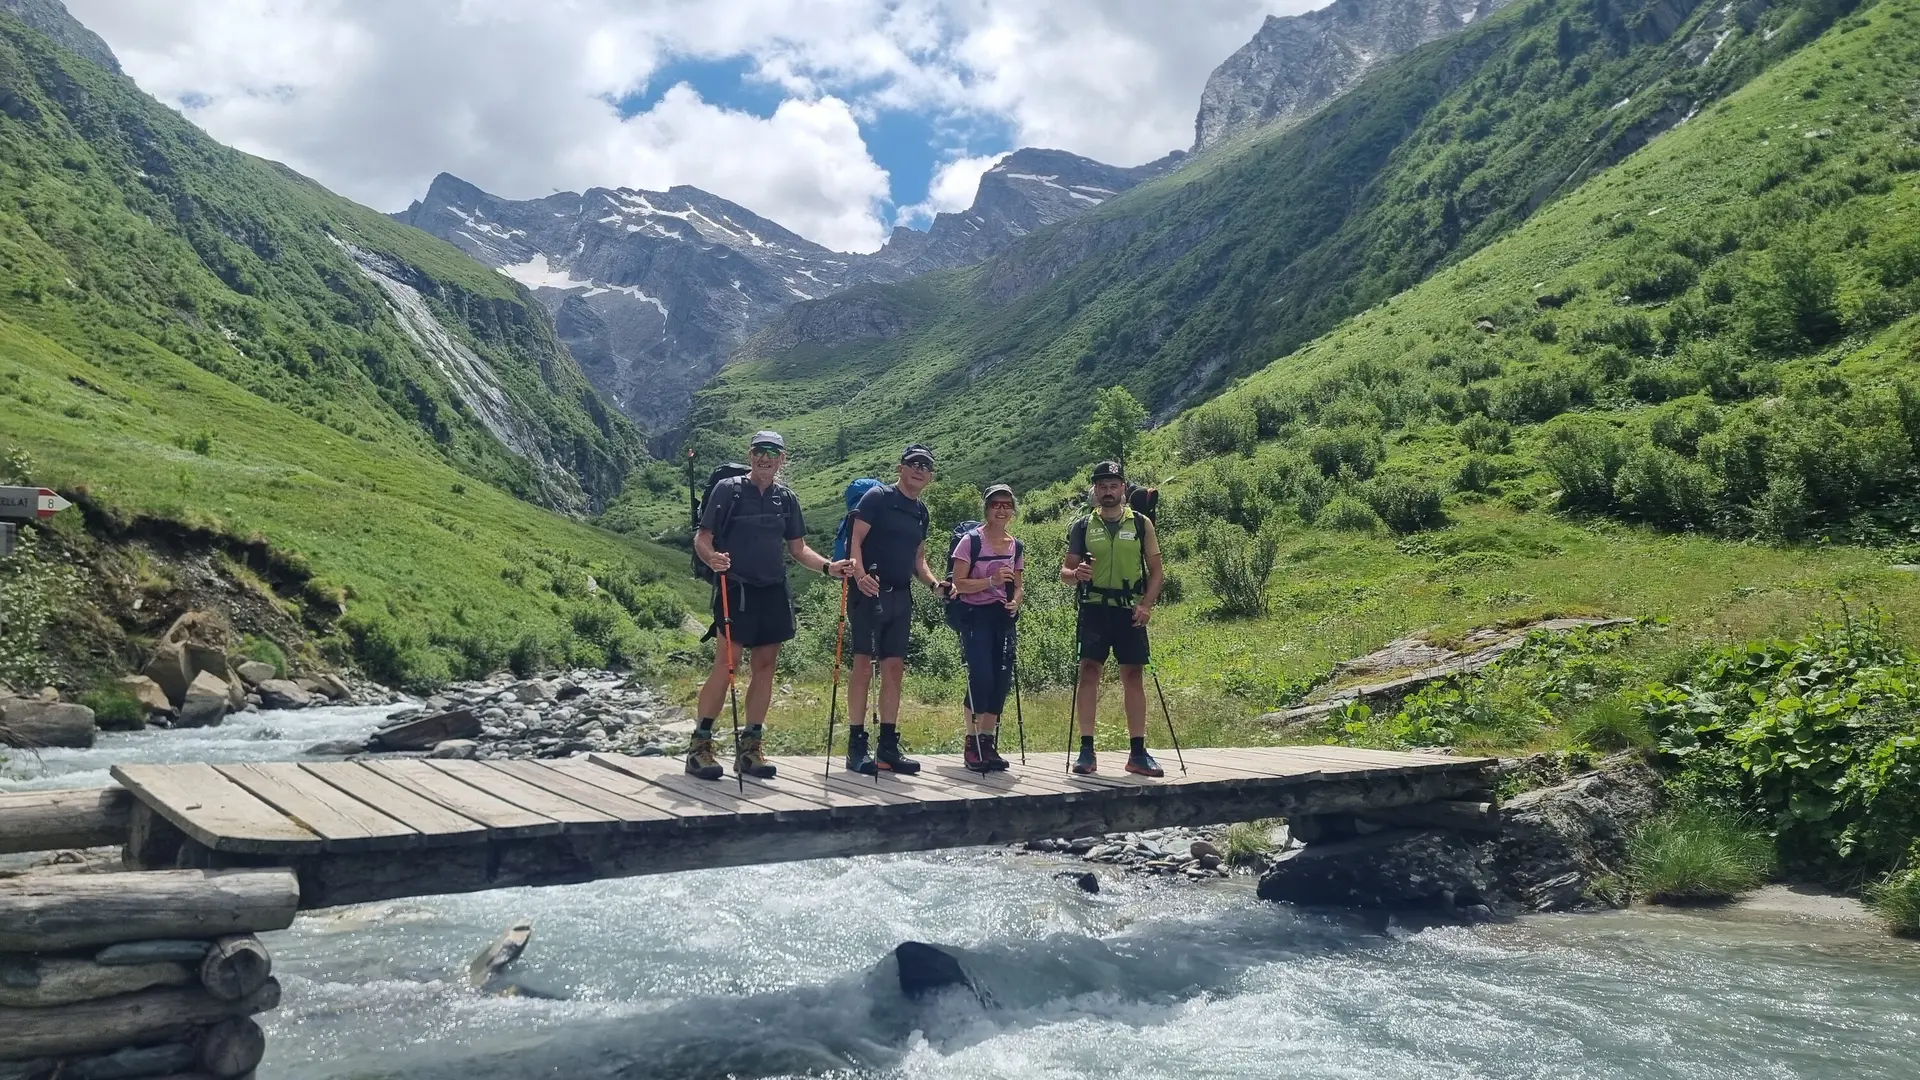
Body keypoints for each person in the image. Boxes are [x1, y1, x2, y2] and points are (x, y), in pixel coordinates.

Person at [691, 430, 849, 781]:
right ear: (750, 455)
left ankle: (751, 747)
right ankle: (700, 746)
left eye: (772, 453)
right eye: (759, 451)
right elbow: (702, 537)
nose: (765, 458)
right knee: (726, 665)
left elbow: (798, 549)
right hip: (736, 588)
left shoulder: (786, 499)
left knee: (765, 668)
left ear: (782, 460)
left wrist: (828, 567)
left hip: (773, 590)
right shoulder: (727, 491)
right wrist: (713, 558)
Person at [842, 443, 946, 775]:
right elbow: (854, 541)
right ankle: (856, 745)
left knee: (894, 669)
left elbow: (918, 559)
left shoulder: (921, 512)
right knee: (861, 667)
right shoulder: (877, 498)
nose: (919, 469)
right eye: (913, 463)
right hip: (868, 592)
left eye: (925, 466)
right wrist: (859, 577)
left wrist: (934, 584)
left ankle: (887, 747)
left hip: (901, 596)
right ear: (900, 468)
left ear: (929, 476)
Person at [1060, 460, 1166, 777]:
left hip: (1129, 609)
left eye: (1113, 485)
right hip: (1093, 607)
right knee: (1089, 674)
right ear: (1095, 490)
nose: (1108, 491)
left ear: (1123, 488)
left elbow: (1158, 572)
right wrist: (1076, 574)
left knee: (1133, 676)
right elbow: (1065, 573)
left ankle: (1137, 752)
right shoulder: (1081, 526)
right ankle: (1086, 751)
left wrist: (1147, 605)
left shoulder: (1141, 524)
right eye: (1102, 486)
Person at [950, 484, 1024, 772]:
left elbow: (1018, 585)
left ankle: (987, 742)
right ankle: (972, 743)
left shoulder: (1015, 545)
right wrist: (991, 582)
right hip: (975, 614)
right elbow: (958, 583)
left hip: (1002, 617)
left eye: (1007, 504)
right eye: (996, 504)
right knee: (981, 677)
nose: (1002, 509)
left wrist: (1015, 602)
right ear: (987, 508)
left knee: (1000, 680)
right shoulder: (971, 542)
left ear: (1013, 510)